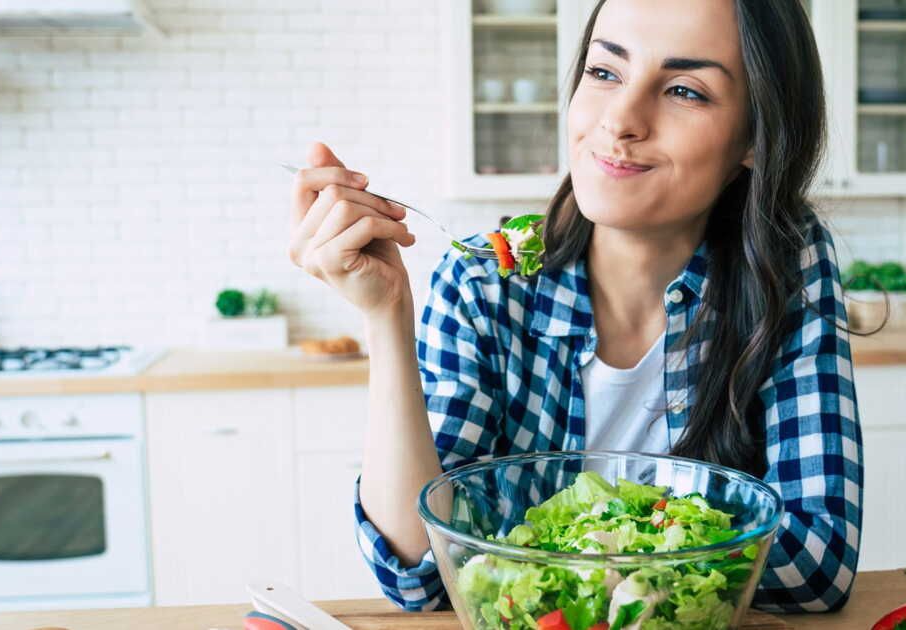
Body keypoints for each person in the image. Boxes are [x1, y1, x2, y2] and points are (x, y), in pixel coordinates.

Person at [287, 0, 862, 614]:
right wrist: (386, 316)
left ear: (755, 134)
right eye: (605, 72)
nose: (620, 121)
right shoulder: (486, 283)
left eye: (684, 91)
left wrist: (550, 561)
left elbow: (816, 563)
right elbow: (418, 577)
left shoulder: (784, 266)